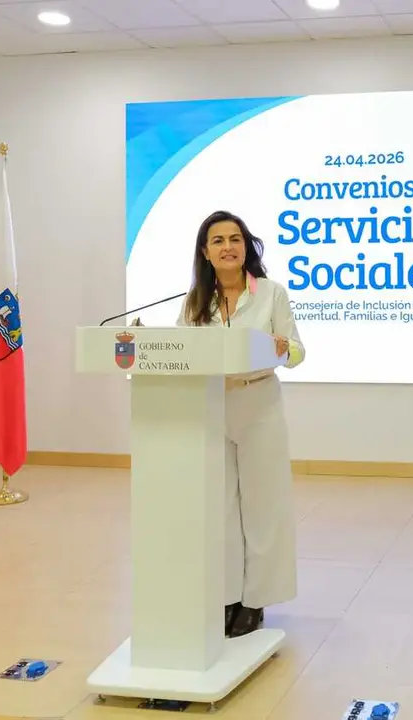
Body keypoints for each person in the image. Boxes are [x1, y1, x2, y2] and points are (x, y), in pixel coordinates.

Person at [176, 210, 305, 638]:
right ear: (205, 252)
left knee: (262, 506)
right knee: (221, 507)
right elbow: (180, 350)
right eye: (218, 241)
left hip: (259, 403)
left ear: (247, 246)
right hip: (212, 406)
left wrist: (285, 348)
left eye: (235, 238)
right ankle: (228, 594)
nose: (228, 246)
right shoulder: (196, 300)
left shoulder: (271, 293)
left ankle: (256, 600)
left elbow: (299, 351)